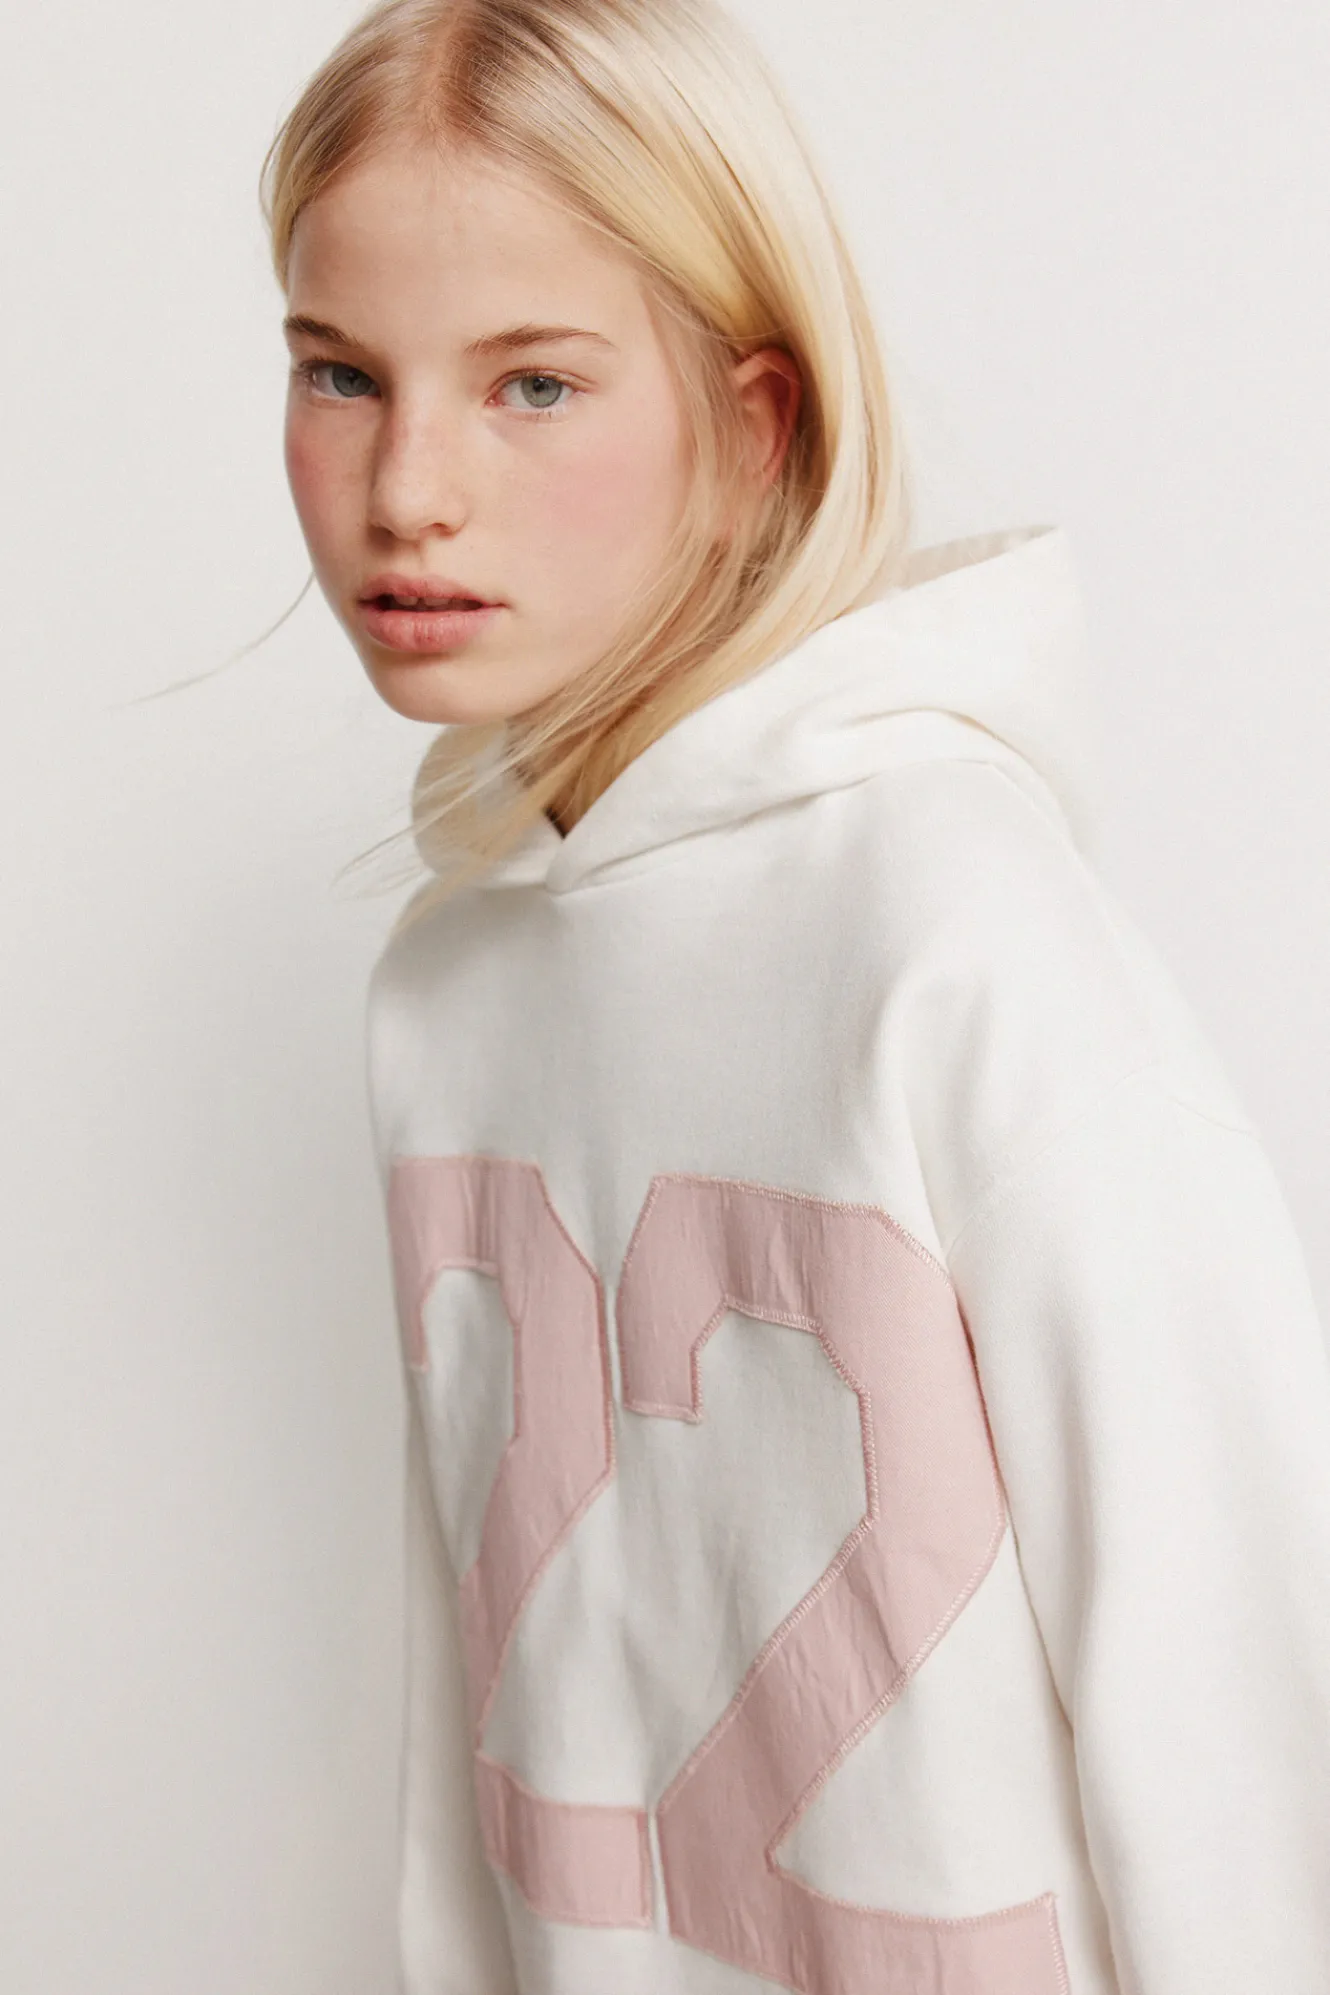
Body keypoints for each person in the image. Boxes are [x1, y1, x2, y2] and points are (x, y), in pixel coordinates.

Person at [260, 2, 1330, 1991]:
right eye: (341, 371)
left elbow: (1243, 1717)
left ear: (752, 424)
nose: (407, 487)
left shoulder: (954, 931)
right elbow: (486, 1743)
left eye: (533, 384)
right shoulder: (443, 985)